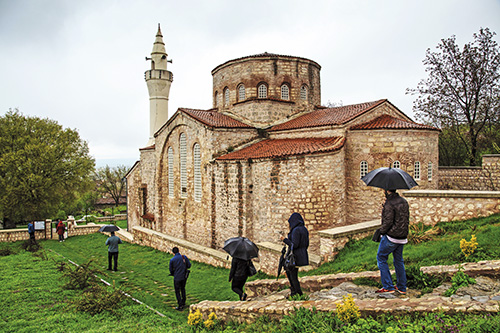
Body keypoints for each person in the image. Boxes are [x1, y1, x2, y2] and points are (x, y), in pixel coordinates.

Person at [376, 189, 410, 295]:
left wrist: (380, 232)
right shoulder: (404, 201)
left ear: (387, 191)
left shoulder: (389, 203)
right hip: (402, 236)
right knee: (398, 260)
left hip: (391, 236)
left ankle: (388, 286)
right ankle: (402, 287)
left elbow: (388, 222)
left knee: (381, 258)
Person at [281, 212, 309, 298]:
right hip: (302, 255)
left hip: (295, 256)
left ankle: (297, 293)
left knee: (292, 275)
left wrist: (284, 239)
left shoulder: (296, 230)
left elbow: (294, 244)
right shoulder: (304, 229)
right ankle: (294, 292)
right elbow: (306, 243)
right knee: (291, 273)